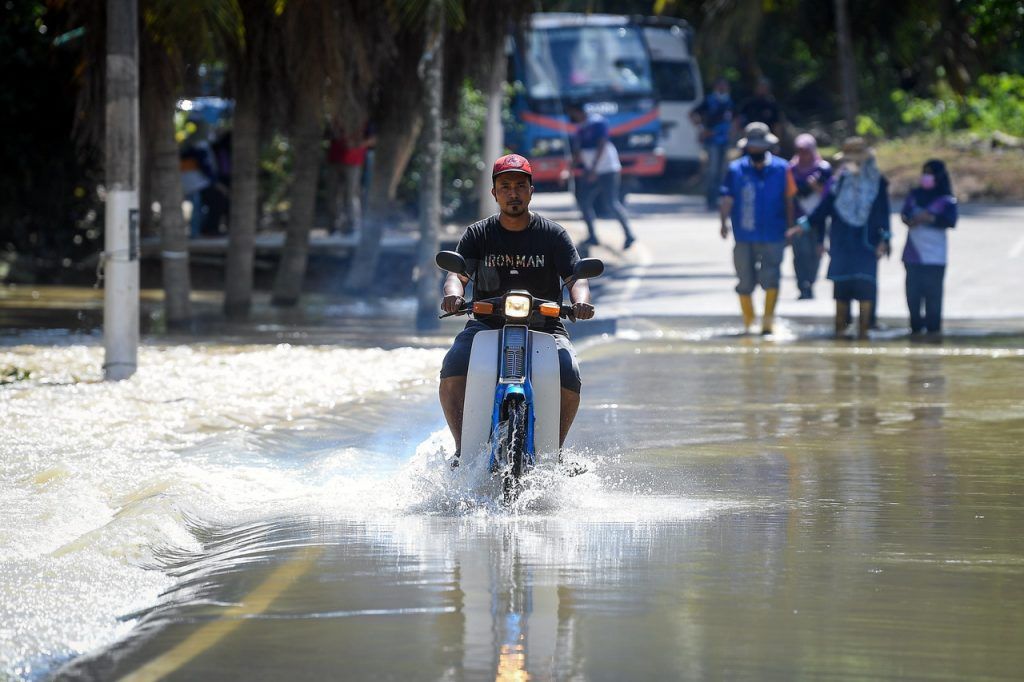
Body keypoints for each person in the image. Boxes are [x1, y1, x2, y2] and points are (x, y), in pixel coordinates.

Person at [439, 154, 595, 465]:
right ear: (494, 193)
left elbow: (575, 277)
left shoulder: (553, 234)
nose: (513, 193)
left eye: (520, 186)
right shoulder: (478, 234)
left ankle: (557, 451)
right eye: (506, 186)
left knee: (569, 372)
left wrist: (580, 300)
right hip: (486, 323)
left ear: (531, 190)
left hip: (546, 325)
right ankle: (461, 449)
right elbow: (456, 275)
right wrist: (453, 295)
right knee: (453, 368)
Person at [805, 137, 891, 339]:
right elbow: (823, 209)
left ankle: (864, 332)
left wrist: (884, 240)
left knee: (865, 291)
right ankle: (840, 336)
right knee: (842, 293)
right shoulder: (839, 181)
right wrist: (804, 225)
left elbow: (883, 214)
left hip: (866, 245)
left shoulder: (877, 183)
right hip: (842, 245)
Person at [719, 122, 798, 335]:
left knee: (771, 277)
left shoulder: (783, 169)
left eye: (760, 146)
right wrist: (723, 222)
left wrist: (791, 227)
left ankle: (768, 323)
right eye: (753, 147)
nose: (756, 150)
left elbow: (789, 200)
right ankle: (748, 322)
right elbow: (727, 198)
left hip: (774, 232)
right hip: (744, 234)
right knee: (744, 279)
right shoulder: (736, 170)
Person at [900, 159, 958, 335]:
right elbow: (904, 214)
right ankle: (915, 333)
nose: (926, 177)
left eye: (930, 173)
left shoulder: (947, 200)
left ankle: (934, 336)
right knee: (913, 299)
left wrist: (928, 218)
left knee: (933, 303)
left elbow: (951, 221)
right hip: (913, 255)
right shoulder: (915, 195)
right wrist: (911, 220)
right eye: (924, 173)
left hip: (935, 257)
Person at [567, 106, 636, 250]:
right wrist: (569, 170)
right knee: (584, 201)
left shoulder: (597, 123)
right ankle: (592, 236)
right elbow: (578, 152)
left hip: (607, 169)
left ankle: (629, 234)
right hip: (592, 169)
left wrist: (593, 169)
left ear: (579, 111)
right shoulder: (580, 129)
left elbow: (601, 144)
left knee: (611, 203)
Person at [789, 133, 832, 299]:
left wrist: (815, 187)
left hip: (819, 218)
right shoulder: (791, 170)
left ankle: (811, 282)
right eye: (800, 151)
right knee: (800, 253)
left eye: (806, 151)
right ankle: (802, 285)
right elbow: (790, 196)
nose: (803, 155)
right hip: (799, 218)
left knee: (816, 251)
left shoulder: (823, 169)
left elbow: (828, 194)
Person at [690, 77, 735, 211]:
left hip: (725, 141)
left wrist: (733, 132)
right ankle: (710, 201)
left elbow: (736, 119)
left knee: (722, 173)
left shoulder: (729, 102)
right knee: (712, 172)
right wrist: (702, 129)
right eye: (721, 86)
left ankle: (719, 200)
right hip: (712, 142)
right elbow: (692, 114)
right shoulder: (709, 100)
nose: (723, 89)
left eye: (725, 86)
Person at [325, 121, 376, 234]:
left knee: (350, 195)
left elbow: (373, 139)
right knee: (332, 194)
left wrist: (356, 145)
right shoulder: (337, 116)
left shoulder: (364, 119)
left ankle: (352, 226)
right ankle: (333, 227)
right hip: (334, 160)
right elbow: (327, 134)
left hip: (354, 162)